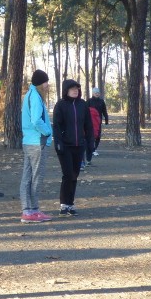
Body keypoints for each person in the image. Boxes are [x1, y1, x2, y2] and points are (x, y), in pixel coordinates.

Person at [52, 79, 93, 216]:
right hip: (65, 146)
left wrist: (90, 143)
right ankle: (64, 204)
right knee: (68, 174)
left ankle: (70, 204)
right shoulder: (61, 105)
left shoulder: (83, 105)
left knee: (75, 175)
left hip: (79, 145)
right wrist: (58, 142)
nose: (75, 90)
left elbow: (88, 125)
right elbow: (56, 126)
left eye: (77, 88)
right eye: (72, 88)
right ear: (66, 90)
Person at [19, 70, 54, 223]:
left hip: (29, 141)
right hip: (36, 142)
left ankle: (28, 210)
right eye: (46, 82)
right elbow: (36, 120)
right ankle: (32, 210)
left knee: (28, 177)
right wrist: (47, 131)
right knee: (36, 177)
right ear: (40, 83)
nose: (47, 85)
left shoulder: (30, 94)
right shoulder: (35, 97)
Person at [87, 88, 109, 160]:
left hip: (98, 121)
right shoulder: (89, 101)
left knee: (98, 136)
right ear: (92, 93)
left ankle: (94, 148)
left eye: (98, 92)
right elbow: (85, 111)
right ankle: (91, 149)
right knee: (91, 136)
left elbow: (104, 111)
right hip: (90, 121)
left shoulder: (101, 101)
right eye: (95, 92)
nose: (97, 94)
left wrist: (106, 119)